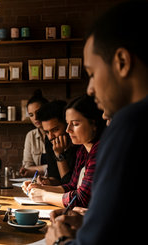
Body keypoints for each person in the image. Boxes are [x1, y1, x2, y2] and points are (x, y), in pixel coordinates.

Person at [46, 1, 148, 244]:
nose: (90, 89)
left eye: (92, 73)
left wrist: (60, 241)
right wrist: (90, 224)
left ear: (122, 62)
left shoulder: (130, 126)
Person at [24, 95, 106, 208]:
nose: (68, 130)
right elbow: (71, 186)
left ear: (94, 124)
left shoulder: (100, 150)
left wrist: (44, 195)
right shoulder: (82, 150)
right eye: (68, 124)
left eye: (75, 124)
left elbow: (82, 198)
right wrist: (39, 188)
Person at [34, 100, 79, 186]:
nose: (51, 137)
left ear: (67, 124)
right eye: (47, 132)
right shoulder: (49, 141)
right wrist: (47, 181)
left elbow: (69, 185)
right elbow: (56, 177)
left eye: (55, 130)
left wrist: (59, 155)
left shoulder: (79, 145)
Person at [19, 89, 49, 177]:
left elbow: (57, 168)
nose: (35, 118)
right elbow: (27, 167)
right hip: (38, 182)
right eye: (31, 115)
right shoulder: (30, 136)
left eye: (38, 112)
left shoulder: (56, 134)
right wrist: (46, 168)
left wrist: (36, 169)